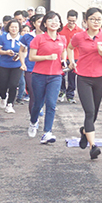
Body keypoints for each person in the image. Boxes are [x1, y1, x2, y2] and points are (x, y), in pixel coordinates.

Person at [67, 7, 102, 160]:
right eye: (93, 19)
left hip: (100, 77)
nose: (96, 22)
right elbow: (70, 47)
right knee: (89, 112)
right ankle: (93, 146)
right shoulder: (79, 36)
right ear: (86, 20)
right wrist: (71, 62)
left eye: (99, 19)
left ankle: (84, 132)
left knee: (94, 113)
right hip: (83, 77)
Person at [27, 12, 68, 143]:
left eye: (56, 20)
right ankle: (33, 122)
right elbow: (31, 57)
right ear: (45, 24)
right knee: (38, 104)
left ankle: (47, 133)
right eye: (50, 20)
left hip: (56, 76)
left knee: (51, 104)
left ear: (60, 23)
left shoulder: (62, 39)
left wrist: (65, 60)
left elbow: (64, 51)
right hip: (39, 75)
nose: (54, 22)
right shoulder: (39, 38)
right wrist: (47, 57)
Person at [0, 18, 25, 113]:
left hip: (17, 65)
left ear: (19, 28)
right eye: (12, 27)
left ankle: (10, 104)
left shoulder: (22, 38)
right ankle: (3, 96)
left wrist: (20, 56)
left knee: (13, 84)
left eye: (16, 27)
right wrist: (6, 52)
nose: (14, 29)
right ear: (8, 28)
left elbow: (25, 51)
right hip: (3, 64)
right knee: (2, 84)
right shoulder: (3, 37)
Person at [59, 10, 81, 104]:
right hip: (63, 56)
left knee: (72, 77)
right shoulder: (61, 30)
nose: (71, 23)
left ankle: (70, 95)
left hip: (75, 56)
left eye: (73, 21)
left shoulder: (80, 31)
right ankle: (62, 91)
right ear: (67, 19)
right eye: (70, 21)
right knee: (61, 75)